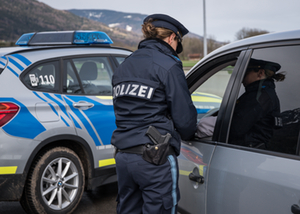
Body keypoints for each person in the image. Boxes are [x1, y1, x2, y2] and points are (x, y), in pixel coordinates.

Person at [110, 14, 197, 214]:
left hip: (124, 156)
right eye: (178, 42)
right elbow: (185, 121)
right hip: (155, 158)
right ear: (171, 38)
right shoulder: (168, 65)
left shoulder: (123, 67)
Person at [229, 58, 285, 148]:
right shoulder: (263, 94)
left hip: (247, 152)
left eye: (244, 74)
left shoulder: (259, 97)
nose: (242, 80)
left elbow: (235, 128)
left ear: (260, 73)